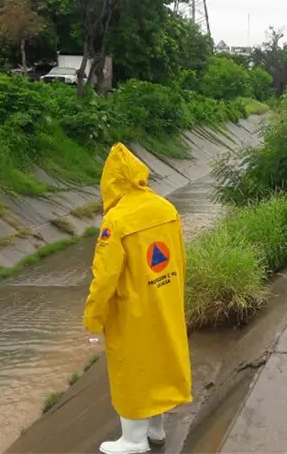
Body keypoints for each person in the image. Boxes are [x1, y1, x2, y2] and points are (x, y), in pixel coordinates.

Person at [83, 143, 192, 454]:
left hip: (131, 310)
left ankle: (133, 439)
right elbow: (180, 260)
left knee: (131, 369)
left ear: (110, 181)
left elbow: (105, 277)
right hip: (165, 300)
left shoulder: (116, 221)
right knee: (159, 362)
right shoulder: (166, 208)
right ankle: (156, 430)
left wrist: (94, 314)